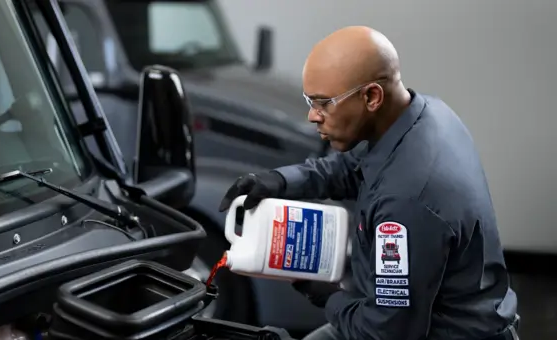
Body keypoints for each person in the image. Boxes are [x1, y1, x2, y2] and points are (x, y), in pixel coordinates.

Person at [218, 26, 519, 340]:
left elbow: (386, 332)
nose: (312, 115)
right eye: (310, 101)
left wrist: (328, 296)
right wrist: (279, 181)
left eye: (323, 103)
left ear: (372, 96)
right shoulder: (425, 115)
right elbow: (351, 167)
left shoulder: (408, 199)